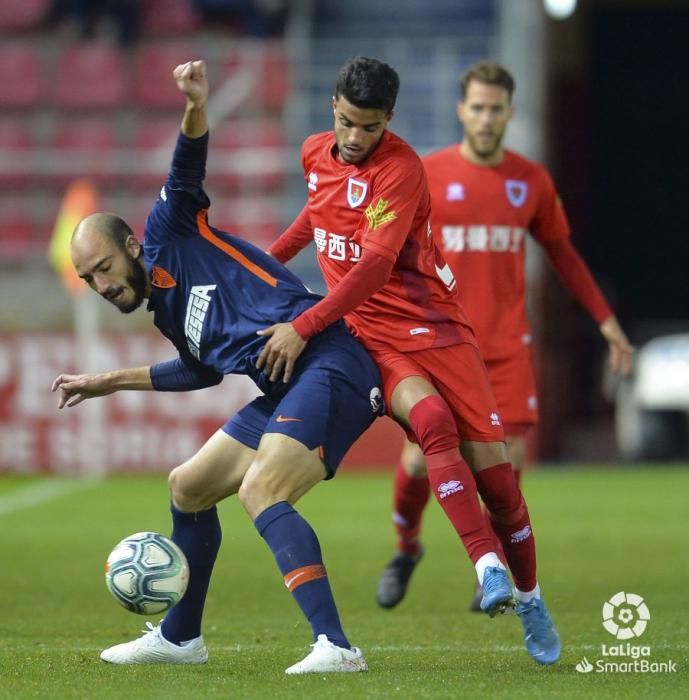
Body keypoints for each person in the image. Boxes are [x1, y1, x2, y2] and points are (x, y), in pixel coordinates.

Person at [51, 60, 384, 675]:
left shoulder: (169, 231)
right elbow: (199, 371)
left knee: (262, 489)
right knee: (188, 486)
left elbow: (186, 165)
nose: (98, 284)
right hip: (290, 384)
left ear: (130, 248)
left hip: (332, 363)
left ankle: (336, 647)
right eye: (86, 279)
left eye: (101, 268)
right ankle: (180, 639)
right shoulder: (167, 313)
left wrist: (195, 104)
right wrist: (105, 382)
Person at [262, 56, 560, 665]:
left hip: (436, 328)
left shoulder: (401, 170)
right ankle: (484, 564)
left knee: (500, 485)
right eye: (346, 122)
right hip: (370, 336)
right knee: (428, 427)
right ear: (333, 109)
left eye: (369, 127)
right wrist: (257, 271)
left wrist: (303, 322)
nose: (354, 138)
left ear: (388, 121)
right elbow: (311, 222)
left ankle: (530, 597)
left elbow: (372, 267)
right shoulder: (315, 153)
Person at [375, 59, 634, 612]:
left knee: (506, 464)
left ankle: (487, 566)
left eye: (496, 109)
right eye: (477, 107)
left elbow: (563, 254)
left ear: (510, 112)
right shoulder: (428, 174)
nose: (487, 118)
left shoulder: (531, 182)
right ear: (461, 111)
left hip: (506, 349)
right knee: (419, 460)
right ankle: (406, 548)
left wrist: (606, 322)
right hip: (437, 346)